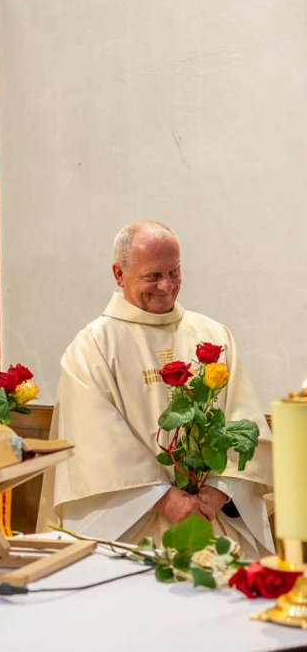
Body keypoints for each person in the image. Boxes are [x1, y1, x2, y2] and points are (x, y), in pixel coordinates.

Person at [37, 220, 274, 557]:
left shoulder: (213, 335)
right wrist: (164, 499)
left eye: (174, 272)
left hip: (213, 520)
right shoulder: (92, 347)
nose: (166, 286)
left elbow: (245, 424)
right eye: (152, 276)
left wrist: (218, 491)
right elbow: (97, 447)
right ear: (119, 274)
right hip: (135, 533)